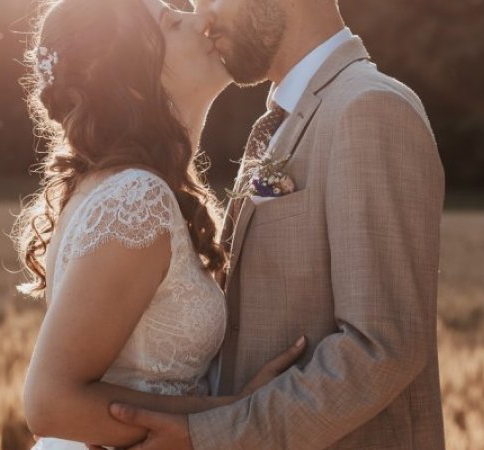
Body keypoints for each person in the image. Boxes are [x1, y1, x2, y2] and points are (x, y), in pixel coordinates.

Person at [103, 0, 448, 448]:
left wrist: (208, 436)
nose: (204, 17)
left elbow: (383, 348)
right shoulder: (286, 119)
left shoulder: (371, 107)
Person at [13, 0, 307, 449]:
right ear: (132, 81)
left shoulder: (122, 187)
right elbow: (50, 403)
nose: (202, 20)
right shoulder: (136, 199)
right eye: (172, 21)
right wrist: (232, 413)